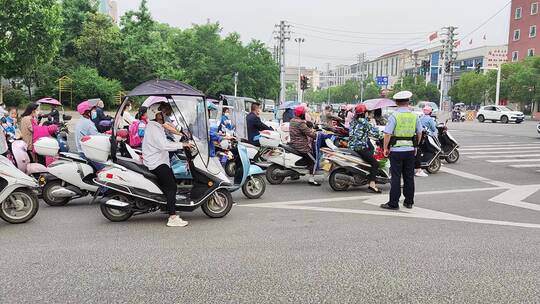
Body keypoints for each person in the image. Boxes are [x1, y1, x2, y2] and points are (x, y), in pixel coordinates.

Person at [142, 103, 189, 227]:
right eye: (162, 112)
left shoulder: (156, 126)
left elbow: (167, 134)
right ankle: (172, 217)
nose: (164, 114)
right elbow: (163, 145)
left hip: (158, 159)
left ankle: (167, 206)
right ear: (155, 114)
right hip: (156, 162)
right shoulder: (153, 128)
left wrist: (180, 137)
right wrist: (182, 145)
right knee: (172, 187)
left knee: (171, 181)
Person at [380, 91, 423, 210]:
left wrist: (385, 148)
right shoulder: (414, 116)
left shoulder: (394, 116)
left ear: (396, 103)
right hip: (410, 150)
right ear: (408, 102)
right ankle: (409, 202)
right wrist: (415, 146)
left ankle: (393, 203)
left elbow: (387, 134)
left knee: (396, 177)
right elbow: (419, 132)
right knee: (409, 176)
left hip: (396, 151)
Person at [348, 104, 383, 193]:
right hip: (360, 147)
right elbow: (377, 133)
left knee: (370, 146)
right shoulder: (365, 122)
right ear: (365, 113)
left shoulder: (353, 121)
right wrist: (385, 136)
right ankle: (372, 184)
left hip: (352, 145)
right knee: (375, 164)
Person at [289, 105, 320, 186]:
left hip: (293, 144)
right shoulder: (300, 123)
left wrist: (309, 123)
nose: (305, 114)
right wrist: (318, 135)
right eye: (304, 113)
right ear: (301, 114)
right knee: (314, 161)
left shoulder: (292, 120)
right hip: (301, 146)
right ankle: (311, 180)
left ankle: (295, 173)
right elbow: (309, 133)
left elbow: (304, 124)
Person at [75, 101, 105, 171]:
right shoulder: (87, 123)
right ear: (87, 112)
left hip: (84, 150)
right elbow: (97, 137)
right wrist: (109, 137)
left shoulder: (83, 120)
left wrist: (106, 134)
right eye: (94, 110)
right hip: (88, 153)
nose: (95, 112)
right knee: (105, 170)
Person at [415, 106, 437, 177]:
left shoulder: (420, 117)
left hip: (420, 137)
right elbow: (433, 129)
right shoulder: (430, 119)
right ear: (430, 112)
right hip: (428, 136)